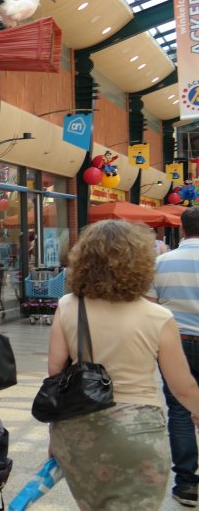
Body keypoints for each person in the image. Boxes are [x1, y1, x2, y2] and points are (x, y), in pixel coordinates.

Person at [49, 220, 199, 510]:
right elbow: (182, 387)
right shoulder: (157, 316)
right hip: (137, 432)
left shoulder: (68, 306)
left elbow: (55, 374)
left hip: (77, 431)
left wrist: (54, 436)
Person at [148, 208, 199, 506]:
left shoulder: (161, 263)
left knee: (179, 411)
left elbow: (149, 309)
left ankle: (187, 484)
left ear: (181, 229)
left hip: (175, 342)